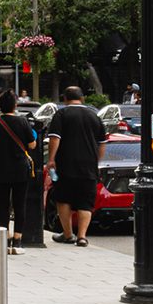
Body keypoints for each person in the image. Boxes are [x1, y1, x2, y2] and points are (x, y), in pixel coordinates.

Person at [46, 86, 106, 246]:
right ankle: (82, 236)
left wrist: (51, 159)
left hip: (66, 165)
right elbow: (102, 143)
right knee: (86, 202)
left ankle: (68, 234)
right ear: (82, 98)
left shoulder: (61, 114)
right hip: (89, 167)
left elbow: (55, 138)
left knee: (63, 199)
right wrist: (96, 161)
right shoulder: (94, 116)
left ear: (65, 99)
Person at [0, 91, 36, 256]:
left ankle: (5, 240)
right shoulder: (23, 122)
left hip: (0, 170)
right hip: (20, 170)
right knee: (20, 204)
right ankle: (18, 240)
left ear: (0, 106)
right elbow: (32, 145)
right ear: (15, 105)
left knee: (3, 205)